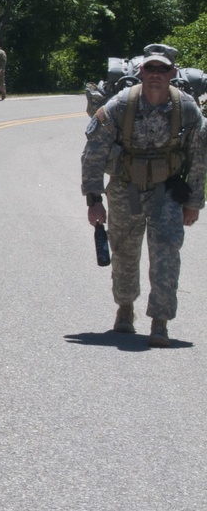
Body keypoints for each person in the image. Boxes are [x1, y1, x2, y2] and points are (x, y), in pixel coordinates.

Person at [81, 43, 206, 347]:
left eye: (162, 69)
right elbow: (94, 152)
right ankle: (125, 309)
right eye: (150, 68)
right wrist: (94, 200)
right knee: (125, 252)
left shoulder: (186, 108)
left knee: (166, 252)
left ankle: (159, 323)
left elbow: (199, 156)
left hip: (166, 192)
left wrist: (194, 203)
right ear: (141, 72)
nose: (155, 74)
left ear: (172, 73)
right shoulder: (121, 105)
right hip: (125, 189)